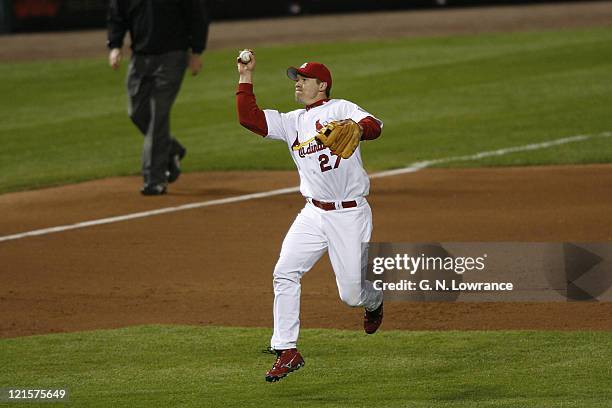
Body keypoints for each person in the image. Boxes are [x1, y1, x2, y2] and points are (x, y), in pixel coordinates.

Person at [236, 52, 384, 382]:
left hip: (349, 214)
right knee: (285, 272)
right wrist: (245, 76)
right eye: (296, 79)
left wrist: (357, 129)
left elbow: (375, 126)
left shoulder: (342, 107)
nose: (298, 83)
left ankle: (374, 301)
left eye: (303, 79)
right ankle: (287, 350)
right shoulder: (292, 122)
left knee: (352, 296)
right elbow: (250, 119)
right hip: (314, 213)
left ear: (322, 85)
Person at [107, 0, 210, 195]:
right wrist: (115, 45)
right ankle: (171, 149)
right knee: (137, 112)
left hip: (173, 56)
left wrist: (196, 51)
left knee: (158, 115)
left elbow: (197, 15)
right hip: (139, 58)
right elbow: (116, 15)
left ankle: (155, 179)